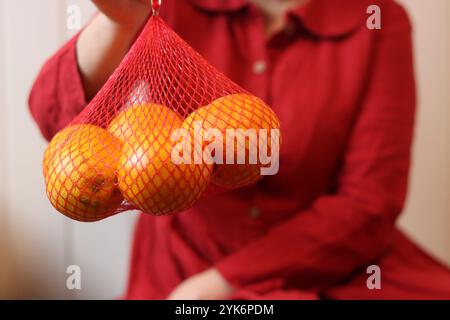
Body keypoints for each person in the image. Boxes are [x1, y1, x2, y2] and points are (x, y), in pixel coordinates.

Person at [29, 0, 450, 300]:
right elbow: (58, 125)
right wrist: (118, 23)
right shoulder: (172, 5)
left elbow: (370, 201)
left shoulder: (377, 21)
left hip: (331, 259)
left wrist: (223, 283)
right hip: (186, 259)